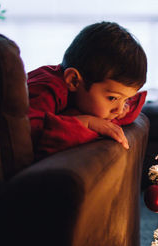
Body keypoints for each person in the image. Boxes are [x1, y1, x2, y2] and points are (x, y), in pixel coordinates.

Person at [27, 21, 147, 159]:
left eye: (126, 99)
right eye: (113, 98)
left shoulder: (85, 95)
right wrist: (86, 122)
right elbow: (26, 133)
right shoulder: (46, 88)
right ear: (73, 80)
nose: (119, 111)